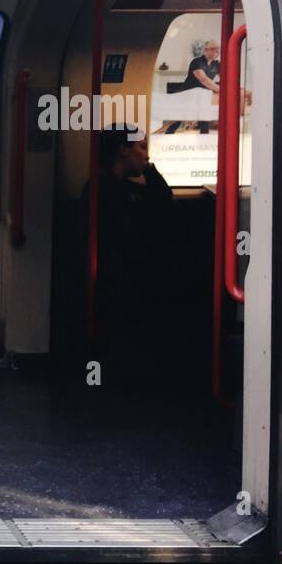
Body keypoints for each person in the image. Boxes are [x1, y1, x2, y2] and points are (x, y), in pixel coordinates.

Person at [80, 124, 188, 385]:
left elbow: (163, 201)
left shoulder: (118, 187)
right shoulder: (106, 192)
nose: (147, 156)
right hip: (120, 283)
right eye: (142, 148)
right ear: (123, 150)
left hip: (126, 275)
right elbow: (131, 243)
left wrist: (147, 168)